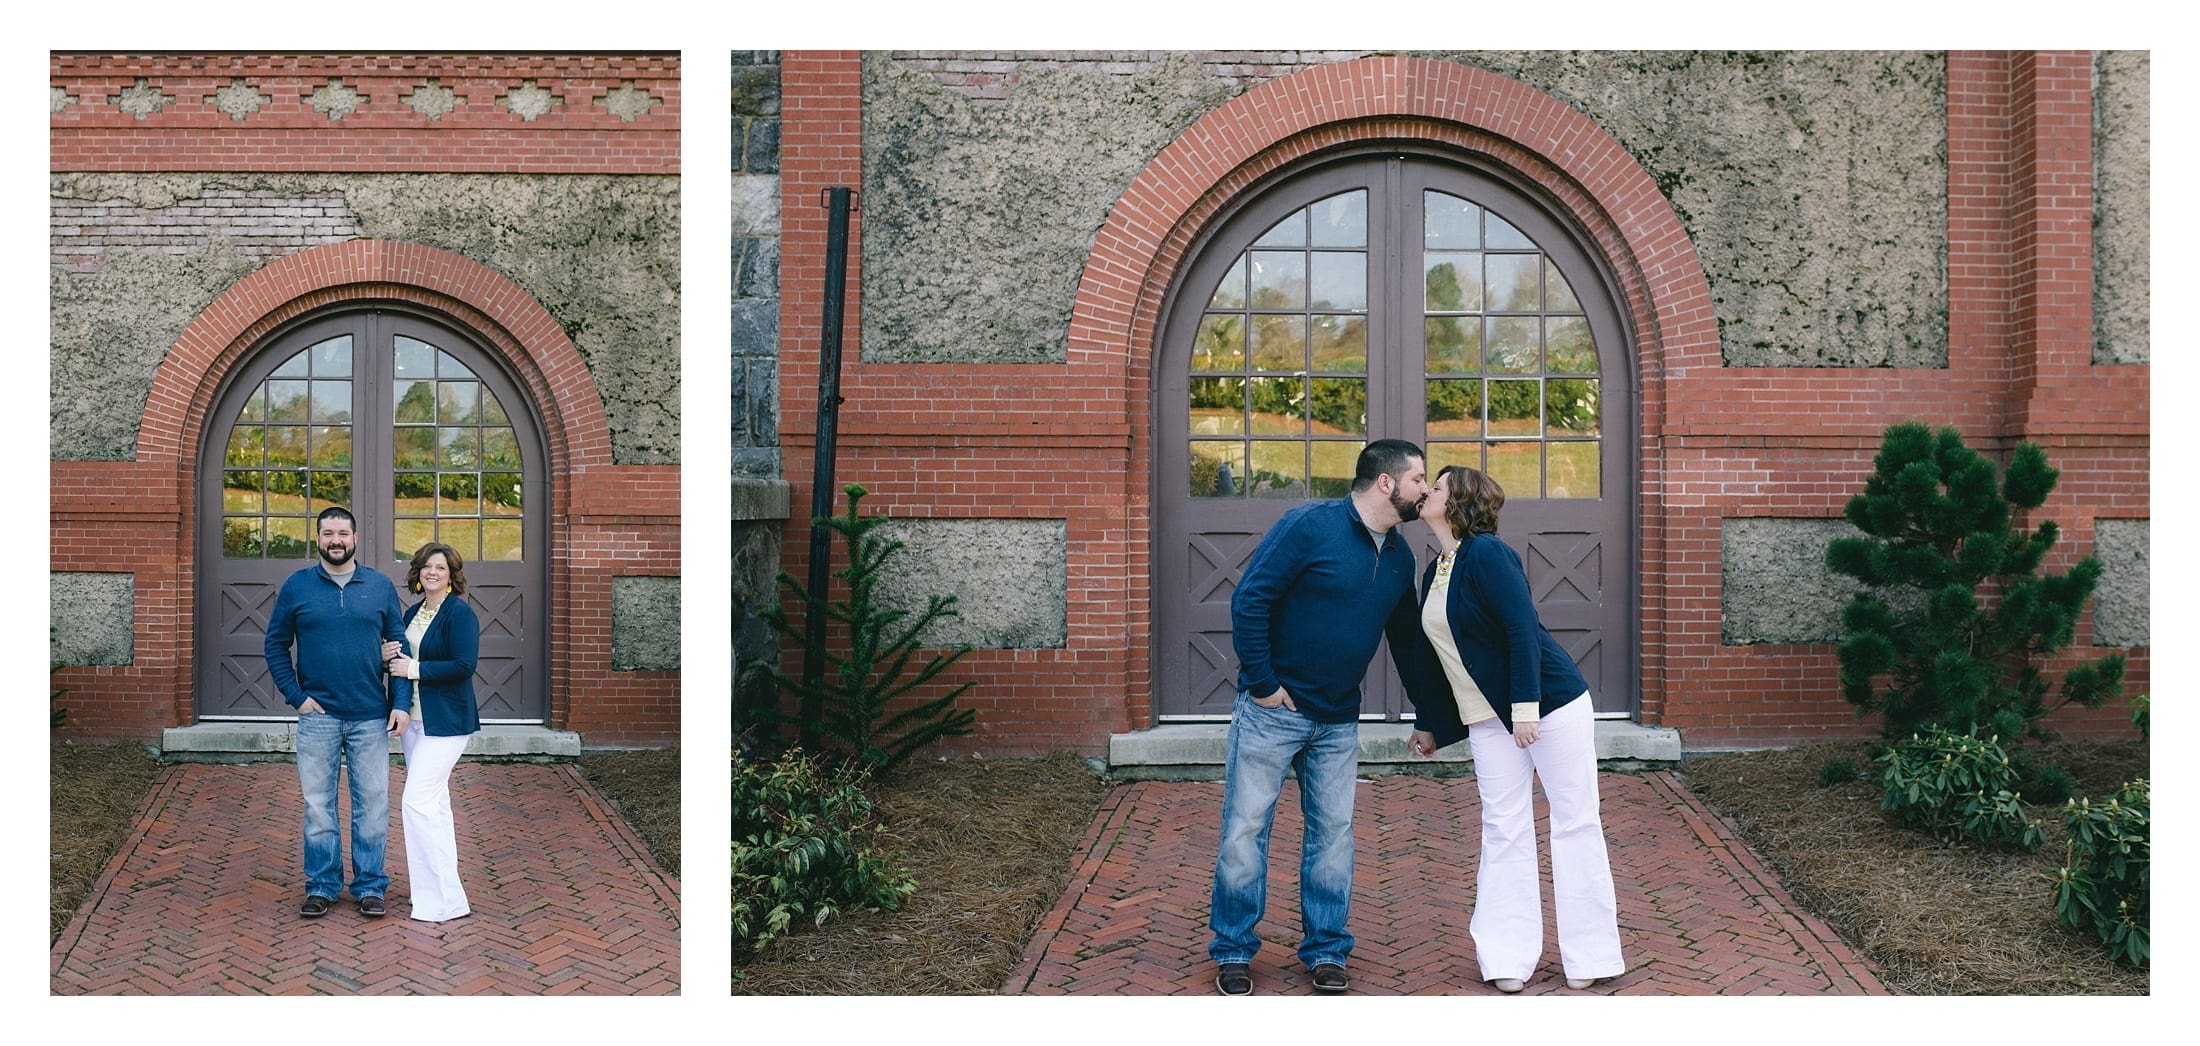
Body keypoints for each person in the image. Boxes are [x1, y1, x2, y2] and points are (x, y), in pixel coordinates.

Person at [1209, 438, 1432, 996]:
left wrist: (1428, 713)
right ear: (1387, 482)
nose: (1425, 490)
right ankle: (1234, 950)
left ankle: (1327, 951)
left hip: (1337, 720)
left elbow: (1406, 641)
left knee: (1332, 836)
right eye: (1419, 479)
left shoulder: (1401, 555)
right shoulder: (1307, 525)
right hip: (1273, 713)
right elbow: (1251, 600)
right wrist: (1262, 685)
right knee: (1245, 831)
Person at [1404, 465, 1625, 992]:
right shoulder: (1435, 568)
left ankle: (1590, 958)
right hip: (1486, 719)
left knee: (1574, 822)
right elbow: (1438, 656)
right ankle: (1506, 957)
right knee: (1503, 828)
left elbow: (1522, 628)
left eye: (1436, 485)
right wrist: (1430, 722)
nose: (1427, 491)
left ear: (1458, 501)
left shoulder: (1488, 554)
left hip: (1549, 704)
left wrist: (1525, 707)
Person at [263, 506, 412, 919]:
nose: (336, 540)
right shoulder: (298, 587)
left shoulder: (379, 587)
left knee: (373, 806)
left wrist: (400, 702)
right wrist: (297, 697)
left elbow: (399, 649)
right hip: (318, 716)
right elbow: (275, 645)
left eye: (342, 532)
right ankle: (323, 885)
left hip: (369, 715)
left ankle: (369, 886)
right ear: (318, 538)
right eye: (328, 532)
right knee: (318, 806)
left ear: (355, 538)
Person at [384, 541, 483, 923]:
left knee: (416, 802)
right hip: (416, 723)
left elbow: (463, 665)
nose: (432, 573)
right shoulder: (412, 613)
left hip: (448, 723)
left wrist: (414, 668)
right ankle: (444, 898)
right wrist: (400, 706)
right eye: (427, 567)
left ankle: (437, 898)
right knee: (436, 808)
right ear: (418, 573)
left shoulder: (460, 614)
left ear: (451, 575)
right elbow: (397, 664)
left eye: (440, 568)